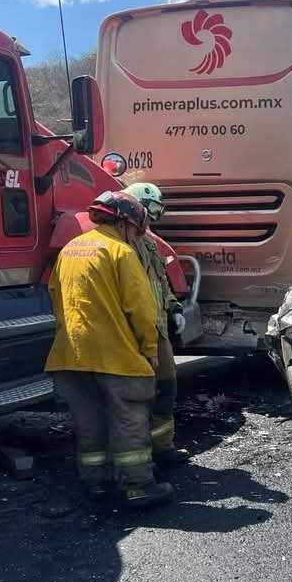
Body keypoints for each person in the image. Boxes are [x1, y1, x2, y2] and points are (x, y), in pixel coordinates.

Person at [45, 191, 174, 509]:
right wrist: (150, 348)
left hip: (70, 356)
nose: (138, 236)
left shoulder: (71, 249)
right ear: (126, 224)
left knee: (89, 423)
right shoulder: (120, 252)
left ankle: (96, 484)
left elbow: (55, 295)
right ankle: (138, 486)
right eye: (137, 230)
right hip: (115, 356)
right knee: (129, 419)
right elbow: (141, 308)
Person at [123, 182, 190, 471]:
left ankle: (163, 447)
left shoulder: (149, 243)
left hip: (158, 329)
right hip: (134, 333)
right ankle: (138, 456)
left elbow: (161, 283)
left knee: (166, 388)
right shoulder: (122, 245)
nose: (150, 219)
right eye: (148, 211)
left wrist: (174, 308)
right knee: (137, 396)